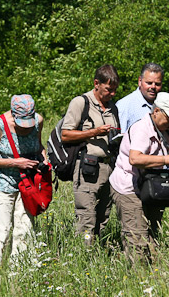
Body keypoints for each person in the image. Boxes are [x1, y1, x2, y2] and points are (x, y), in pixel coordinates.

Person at [109, 92, 169, 263]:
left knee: (151, 234)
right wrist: (165, 159)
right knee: (137, 237)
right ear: (157, 111)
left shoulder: (164, 130)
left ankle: (152, 274)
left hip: (149, 188)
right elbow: (135, 158)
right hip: (128, 187)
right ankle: (138, 278)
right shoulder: (142, 128)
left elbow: (160, 159)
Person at [0, 94, 47, 262]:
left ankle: (21, 271)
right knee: (0, 231)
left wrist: (44, 161)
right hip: (1, 182)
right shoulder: (0, 125)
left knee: (25, 230)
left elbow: (39, 147)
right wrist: (15, 163)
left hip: (28, 184)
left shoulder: (38, 121)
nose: (26, 127)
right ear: (13, 114)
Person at [61, 64, 120, 245]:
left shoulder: (113, 107)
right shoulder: (81, 102)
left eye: (115, 90)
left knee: (103, 216)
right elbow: (66, 134)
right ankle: (84, 251)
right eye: (109, 89)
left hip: (109, 167)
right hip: (87, 168)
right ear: (96, 83)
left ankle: (98, 252)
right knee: (86, 218)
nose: (112, 94)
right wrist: (93, 132)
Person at [116, 63, 164, 133]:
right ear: (140, 81)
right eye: (149, 83)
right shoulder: (125, 105)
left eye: (157, 84)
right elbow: (119, 138)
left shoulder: (163, 104)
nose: (153, 87)